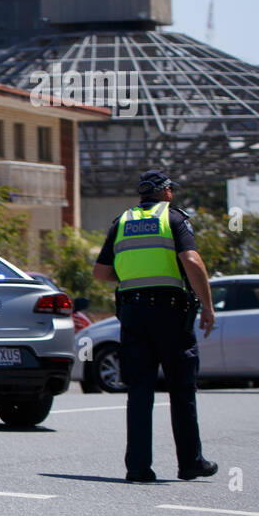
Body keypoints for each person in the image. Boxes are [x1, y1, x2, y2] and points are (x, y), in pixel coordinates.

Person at [92, 169, 218, 483]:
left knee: (139, 391)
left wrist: (134, 277)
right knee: (181, 389)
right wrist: (208, 305)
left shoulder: (121, 222)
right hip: (170, 314)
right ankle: (190, 462)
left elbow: (100, 272)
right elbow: (191, 260)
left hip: (133, 314)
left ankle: (137, 468)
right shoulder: (173, 219)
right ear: (167, 192)